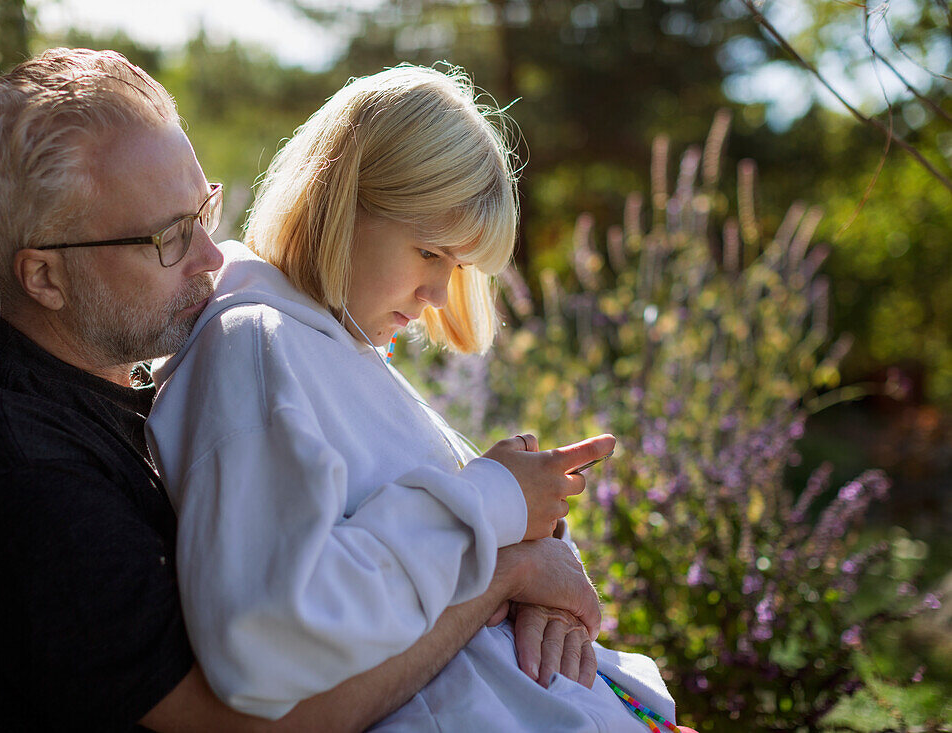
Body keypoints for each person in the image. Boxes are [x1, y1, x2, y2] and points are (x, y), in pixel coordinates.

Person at [0, 48, 603, 732]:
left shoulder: (120, 391)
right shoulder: (13, 468)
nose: (214, 256)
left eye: (201, 211)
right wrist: (500, 577)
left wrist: (521, 556)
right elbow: (251, 719)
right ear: (45, 277)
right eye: (168, 238)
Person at [147, 65, 680, 731]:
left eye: (456, 267)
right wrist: (493, 511)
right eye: (429, 251)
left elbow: (431, 562)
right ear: (339, 201)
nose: (437, 297)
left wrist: (536, 564)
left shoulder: (328, 344)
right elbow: (272, 630)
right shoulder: (255, 343)